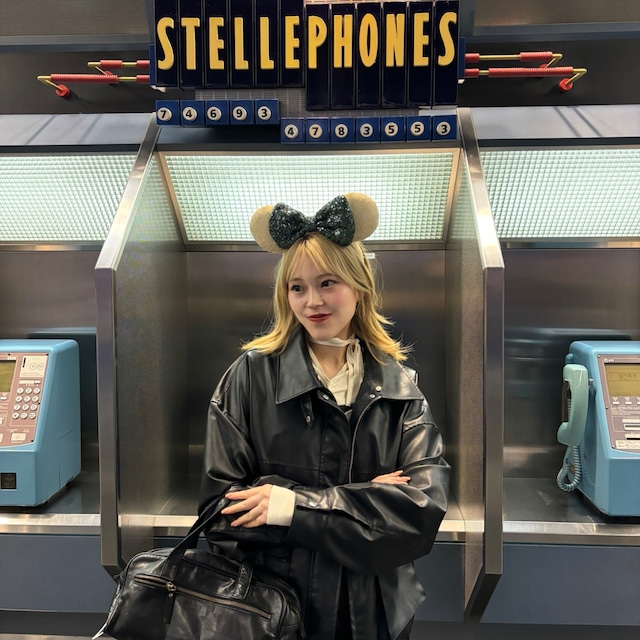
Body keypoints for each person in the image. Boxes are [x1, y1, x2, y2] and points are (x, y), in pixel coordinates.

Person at [199, 193, 450, 640]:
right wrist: (366, 499)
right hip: (273, 612)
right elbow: (221, 515)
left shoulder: (400, 385)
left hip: (374, 614)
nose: (312, 301)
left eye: (327, 282)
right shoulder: (250, 376)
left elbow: (420, 515)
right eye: (297, 287)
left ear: (359, 285)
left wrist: (286, 503)